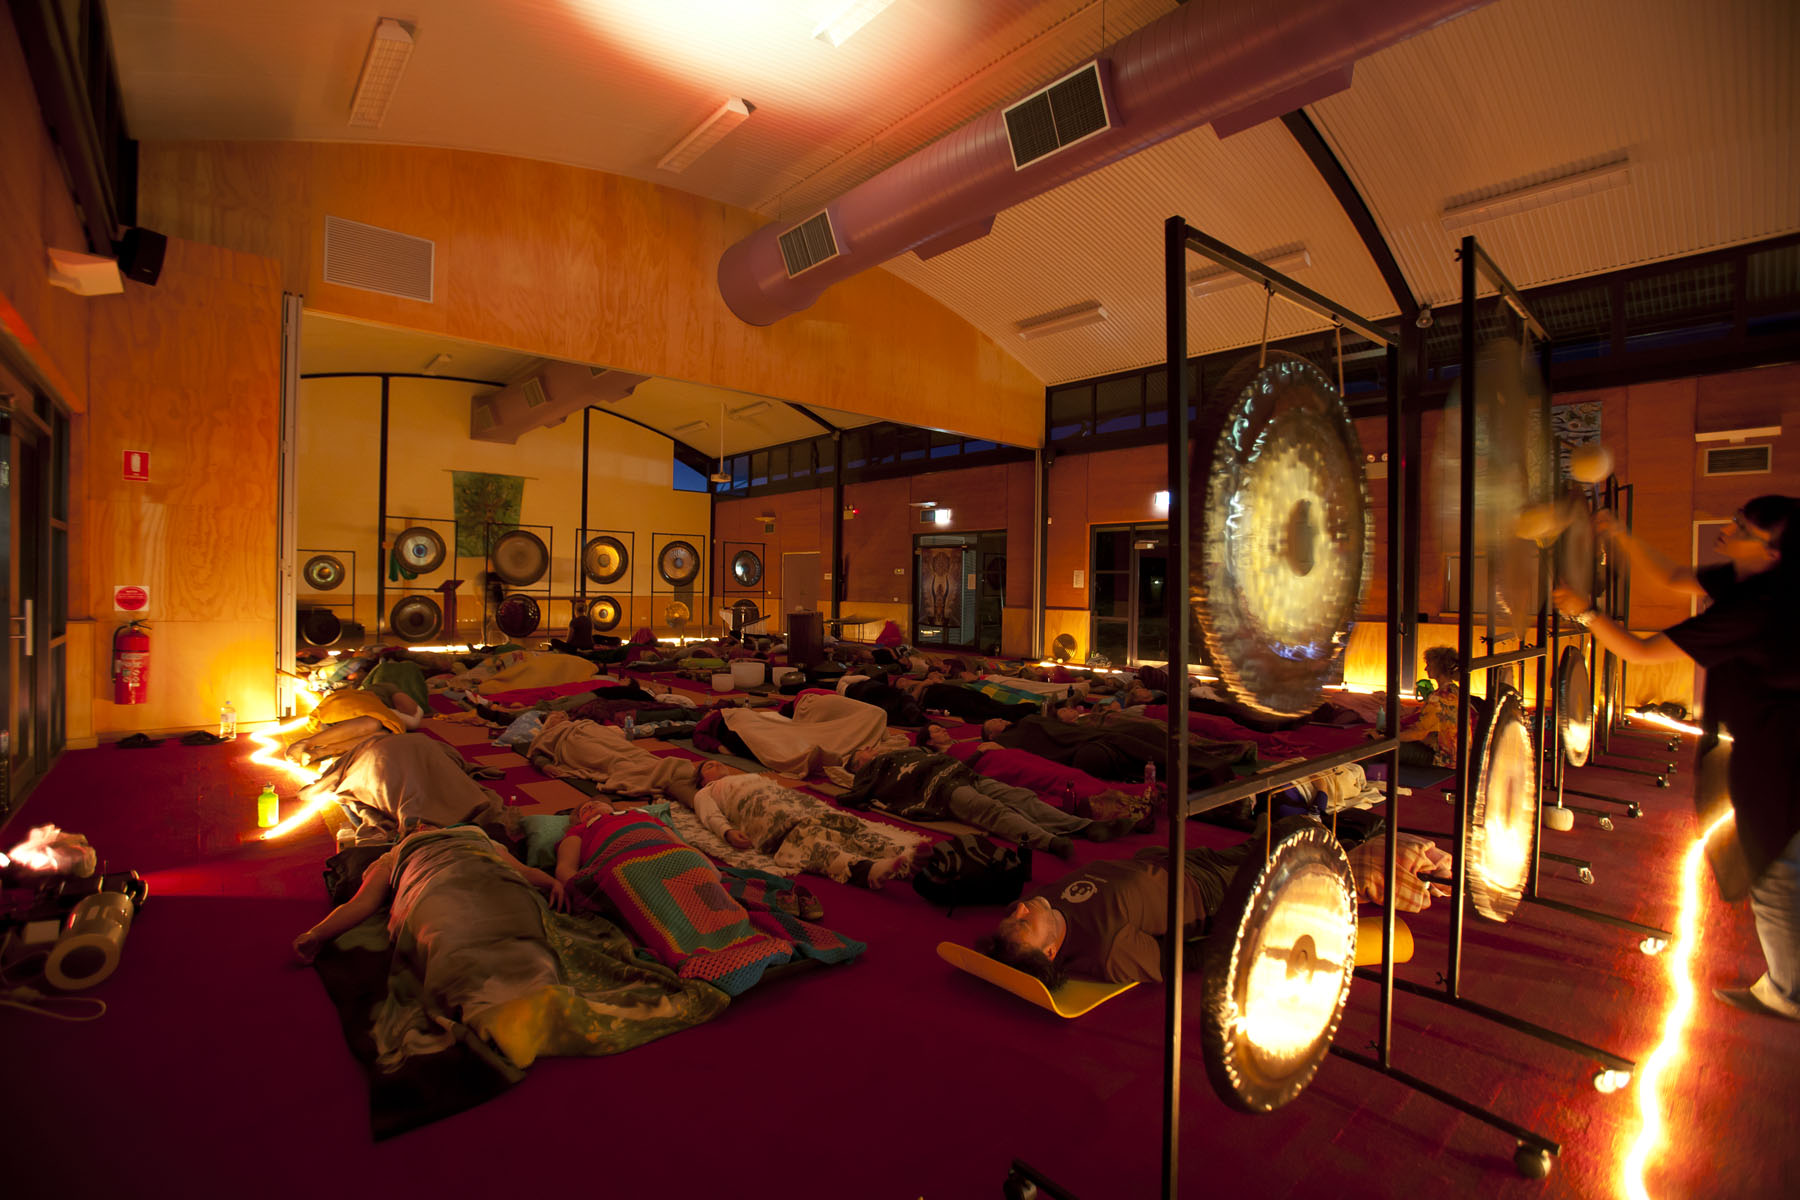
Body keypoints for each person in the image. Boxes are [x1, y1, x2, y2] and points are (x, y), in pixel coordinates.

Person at [1554, 496, 1800, 1020]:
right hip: (1769, 742)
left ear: (1773, 554)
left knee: (1776, 870)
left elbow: (1641, 652)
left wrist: (1584, 612)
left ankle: (1788, 993)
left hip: (1784, 752)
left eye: (1743, 528)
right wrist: (1619, 534)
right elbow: (1671, 576)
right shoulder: (1746, 579)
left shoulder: (1758, 607)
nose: (1728, 529)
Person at [983, 817, 1451, 986]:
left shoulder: (1043, 906)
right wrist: (1245, 935)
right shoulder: (1105, 950)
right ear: (1050, 952)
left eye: (1013, 913)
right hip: (1207, 893)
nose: (1021, 908)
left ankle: (1355, 840)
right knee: (1300, 838)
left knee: (1287, 830)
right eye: (1022, 922)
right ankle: (1390, 864)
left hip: (1179, 860)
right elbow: (1179, 961)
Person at [839, 743, 1137, 857]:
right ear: (856, 763)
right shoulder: (867, 775)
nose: (871, 749)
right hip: (938, 790)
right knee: (991, 810)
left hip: (960, 773)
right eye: (864, 750)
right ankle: (1049, 841)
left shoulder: (900, 751)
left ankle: (1084, 827)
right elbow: (853, 797)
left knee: (1021, 797)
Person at [667, 761, 928, 889]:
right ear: (702, 781)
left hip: (788, 802)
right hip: (762, 811)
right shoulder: (706, 792)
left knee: (840, 825)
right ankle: (864, 870)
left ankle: (900, 857)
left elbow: (780, 790)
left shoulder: (750, 776)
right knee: (804, 837)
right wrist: (728, 832)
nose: (716, 764)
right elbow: (710, 816)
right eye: (708, 766)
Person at [1383, 645, 1462, 768]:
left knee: (1382, 749)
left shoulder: (1440, 697)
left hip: (1442, 757)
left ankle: (1367, 776)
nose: (1426, 668)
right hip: (1457, 754)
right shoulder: (1454, 690)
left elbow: (1419, 734)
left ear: (1439, 667)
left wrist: (1386, 738)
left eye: (1429, 665)